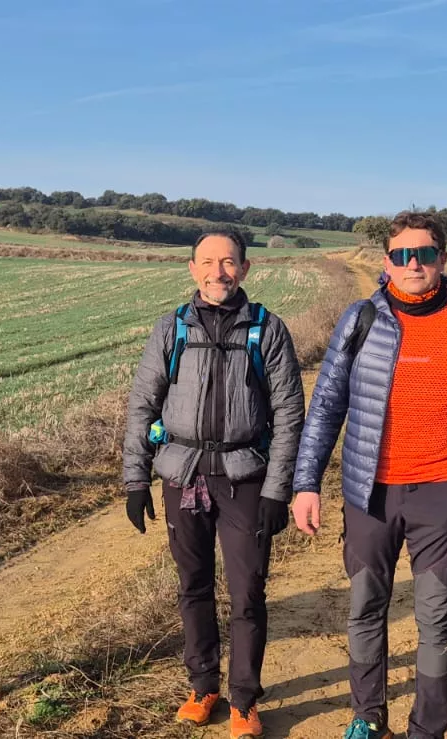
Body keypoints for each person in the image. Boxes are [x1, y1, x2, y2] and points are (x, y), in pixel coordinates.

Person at [292, 212, 447, 739]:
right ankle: (369, 719)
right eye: (402, 255)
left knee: (437, 620)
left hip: (443, 494)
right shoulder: (361, 318)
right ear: (387, 262)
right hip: (370, 494)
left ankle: (427, 729)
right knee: (366, 609)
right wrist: (306, 483)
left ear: (443, 258)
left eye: (425, 254)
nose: (414, 264)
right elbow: (326, 406)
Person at [123, 226, 305, 738]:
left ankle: (244, 700)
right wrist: (135, 479)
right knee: (193, 586)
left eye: (228, 262)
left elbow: (290, 414)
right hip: (182, 476)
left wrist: (277, 490)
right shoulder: (171, 329)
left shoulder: (267, 330)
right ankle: (203, 686)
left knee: (247, 592)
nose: (217, 272)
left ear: (245, 269)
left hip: (245, 478)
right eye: (207, 262)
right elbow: (142, 404)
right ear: (192, 269)